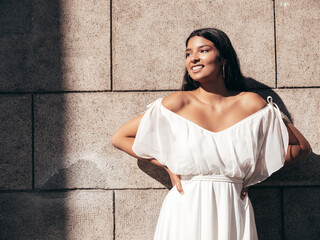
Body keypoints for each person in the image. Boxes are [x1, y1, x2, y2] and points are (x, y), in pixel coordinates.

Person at [111, 28, 312, 240]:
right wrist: (166, 166)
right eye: (188, 54)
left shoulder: (252, 104)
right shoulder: (177, 103)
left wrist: (254, 172)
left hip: (231, 208)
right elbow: (120, 137)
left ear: (223, 58)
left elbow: (301, 147)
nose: (193, 58)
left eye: (203, 50)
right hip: (184, 208)